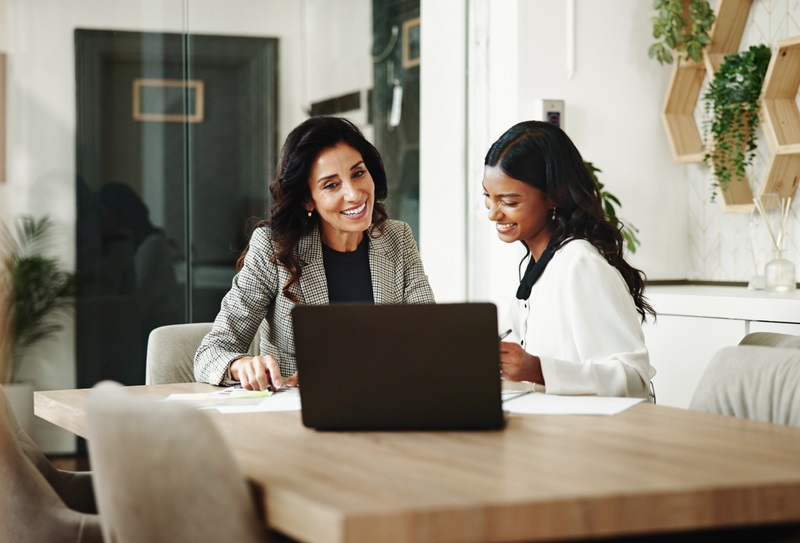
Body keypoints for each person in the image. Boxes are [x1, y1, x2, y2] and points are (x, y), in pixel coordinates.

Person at [194, 116, 435, 390]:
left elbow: (428, 339)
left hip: (383, 403)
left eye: (358, 173)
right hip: (298, 411)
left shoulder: (397, 238)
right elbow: (211, 352)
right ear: (308, 199)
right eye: (331, 185)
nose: (354, 194)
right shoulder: (273, 249)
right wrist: (242, 365)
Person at [482, 120, 656, 398]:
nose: (493, 213)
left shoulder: (580, 264)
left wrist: (538, 370)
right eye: (488, 197)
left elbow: (634, 379)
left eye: (510, 202)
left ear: (555, 195)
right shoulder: (538, 267)